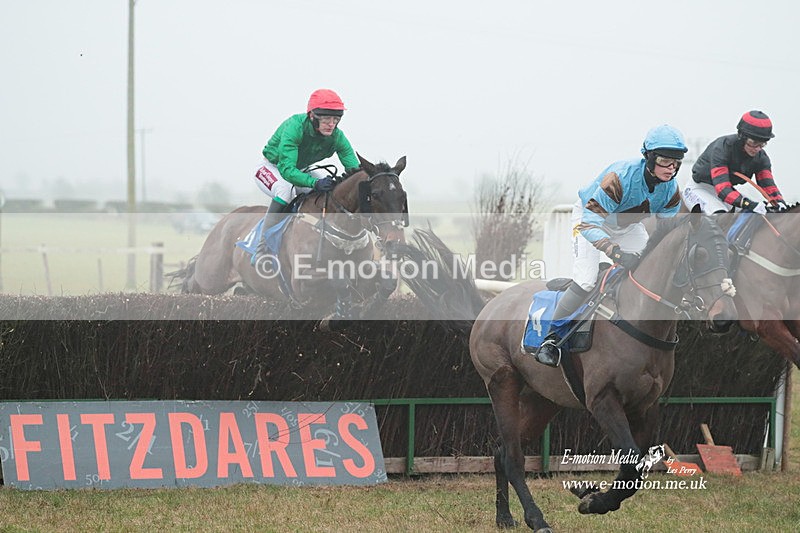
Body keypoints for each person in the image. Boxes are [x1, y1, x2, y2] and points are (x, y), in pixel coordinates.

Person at [535, 124, 687, 366]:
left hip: (626, 226)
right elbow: (589, 224)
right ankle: (551, 337)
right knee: (586, 278)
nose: (671, 168)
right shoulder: (620, 178)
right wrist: (614, 251)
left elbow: (667, 229)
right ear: (648, 157)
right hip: (590, 219)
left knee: (646, 270)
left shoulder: (670, 189)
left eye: (676, 162)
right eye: (665, 161)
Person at [253, 89, 361, 257]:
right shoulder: (294, 127)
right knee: (285, 190)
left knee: (327, 193)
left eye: (335, 119)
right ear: (312, 116)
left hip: (300, 170)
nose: (331, 124)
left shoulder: (337, 136)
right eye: (326, 119)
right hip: (272, 168)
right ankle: (263, 244)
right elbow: (287, 170)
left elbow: (355, 170)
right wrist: (314, 183)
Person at [682, 110, 785, 215]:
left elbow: (768, 185)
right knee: (719, 214)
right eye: (753, 143)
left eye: (762, 144)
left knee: (755, 215)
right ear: (742, 137)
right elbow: (722, 188)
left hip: (726, 192)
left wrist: (779, 202)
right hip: (699, 189)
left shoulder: (761, 157)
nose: (757, 149)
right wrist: (749, 204)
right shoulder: (722, 148)